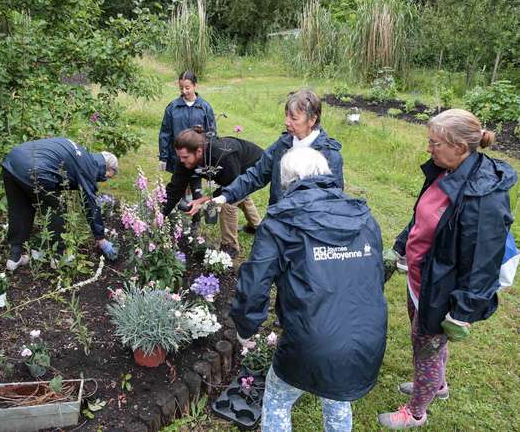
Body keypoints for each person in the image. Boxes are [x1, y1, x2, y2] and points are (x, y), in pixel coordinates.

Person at [230, 147, 388, 432]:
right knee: (337, 396)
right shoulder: (364, 218)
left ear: (286, 181)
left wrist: (245, 329)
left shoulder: (280, 221)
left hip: (310, 340)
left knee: (278, 399)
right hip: (367, 336)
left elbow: (255, 284)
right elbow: (375, 275)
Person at [377, 109, 517, 429]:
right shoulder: (445, 170)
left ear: (460, 147)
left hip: (443, 286)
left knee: (427, 344)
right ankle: (436, 385)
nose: (429, 148)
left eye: (435, 142)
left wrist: (463, 311)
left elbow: (483, 261)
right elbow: (422, 216)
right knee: (424, 339)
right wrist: (401, 245)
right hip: (421, 279)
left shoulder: (483, 196)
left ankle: (415, 413)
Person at [2, 137, 119, 271]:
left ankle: (14, 258)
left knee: (19, 209)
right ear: (106, 167)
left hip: (12, 159)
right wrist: (101, 239)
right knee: (57, 207)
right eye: (106, 176)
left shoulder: (81, 154)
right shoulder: (89, 166)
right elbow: (90, 203)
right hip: (36, 168)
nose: (102, 179)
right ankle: (58, 257)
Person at [212, 89, 343, 209]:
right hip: (279, 219)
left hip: (309, 228)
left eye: (293, 118)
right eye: (286, 115)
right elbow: (256, 174)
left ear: (312, 120)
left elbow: (333, 202)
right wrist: (225, 196)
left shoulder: (329, 155)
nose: (286, 122)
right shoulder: (282, 145)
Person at [162, 126, 263, 258]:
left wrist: (202, 200)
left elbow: (231, 188)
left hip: (255, 166)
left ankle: (230, 247)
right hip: (234, 172)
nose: (182, 161)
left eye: (185, 157)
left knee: (228, 202)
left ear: (199, 151)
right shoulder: (185, 158)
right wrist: (161, 214)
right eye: (180, 157)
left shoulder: (223, 156)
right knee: (240, 196)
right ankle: (256, 226)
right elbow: (175, 188)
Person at [158, 70, 217, 229]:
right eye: (181, 88)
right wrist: (163, 157)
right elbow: (165, 132)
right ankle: (179, 218)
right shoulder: (173, 107)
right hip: (180, 158)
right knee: (179, 188)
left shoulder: (204, 108)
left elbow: (212, 133)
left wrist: (209, 156)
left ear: (195, 86)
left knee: (197, 189)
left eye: (187, 87)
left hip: (197, 159)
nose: (184, 91)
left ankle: (195, 221)